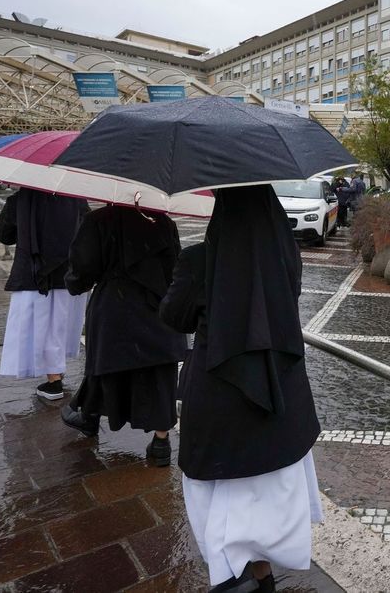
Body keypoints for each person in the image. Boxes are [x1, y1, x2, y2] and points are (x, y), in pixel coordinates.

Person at [160, 185, 322, 593]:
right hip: (279, 397)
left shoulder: (200, 260)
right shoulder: (287, 258)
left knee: (219, 493)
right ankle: (261, 578)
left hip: (218, 401)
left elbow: (174, 317)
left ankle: (235, 580)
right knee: (265, 497)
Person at [58, 205, 188, 465]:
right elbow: (175, 266)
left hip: (114, 307)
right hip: (157, 308)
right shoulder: (162, 221)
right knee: (160, 374)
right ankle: (161, 442)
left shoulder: (97, 220)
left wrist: (75, 283)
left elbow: (81, 270)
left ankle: (90, 415)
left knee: (102, 364)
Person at [0, 188, 89, 399]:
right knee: (60, 326)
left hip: (34, 274)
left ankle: (54, 380)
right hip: (68, 273)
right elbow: (87, 232)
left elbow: (4, 235)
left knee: (40, 327)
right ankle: (56, 372)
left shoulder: (20, 199)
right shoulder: (76, 198)